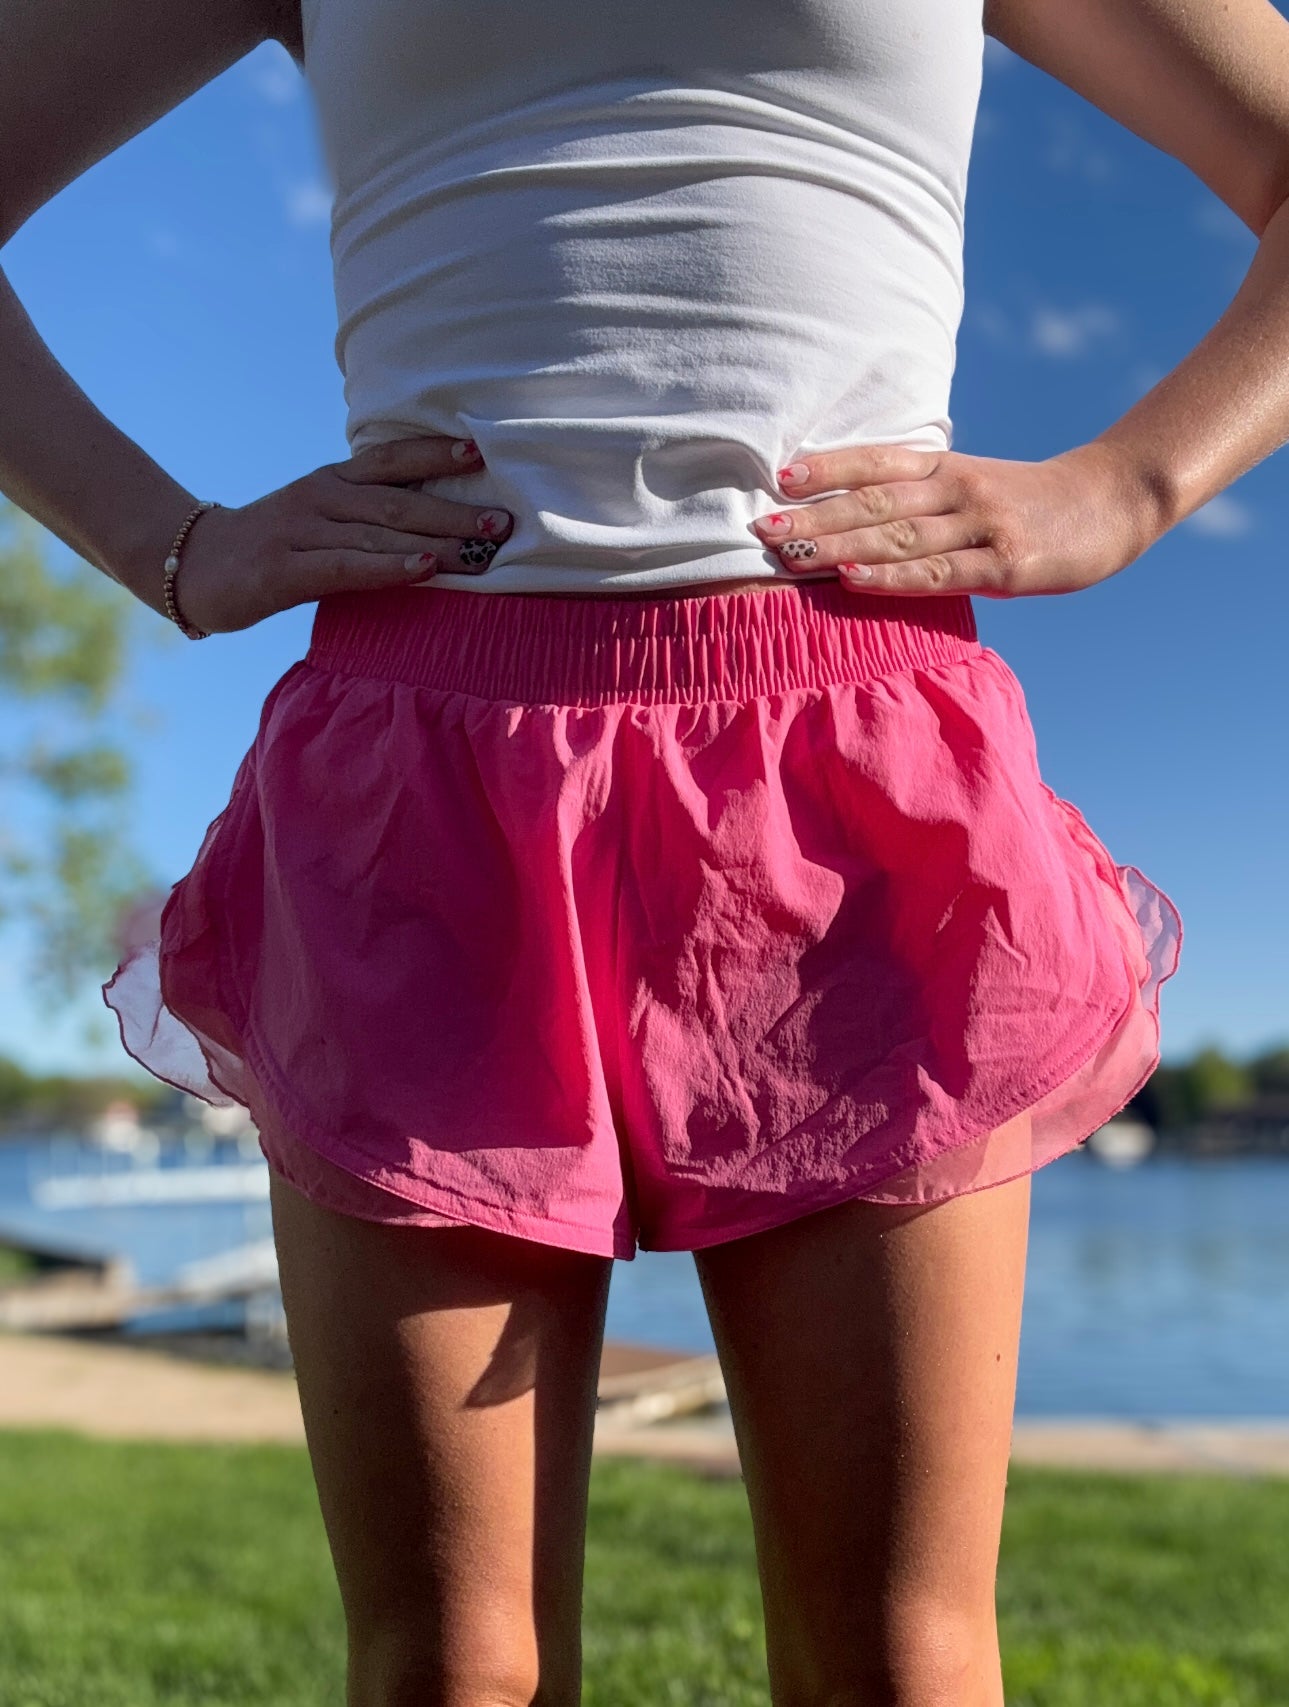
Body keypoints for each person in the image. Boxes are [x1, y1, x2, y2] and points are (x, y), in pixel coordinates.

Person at [4, 0, 1286, 1698]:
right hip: (417, 789)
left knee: (896, 1661)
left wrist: (1128, 482)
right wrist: (165, 544)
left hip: (850, 783)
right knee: (451, 1670)